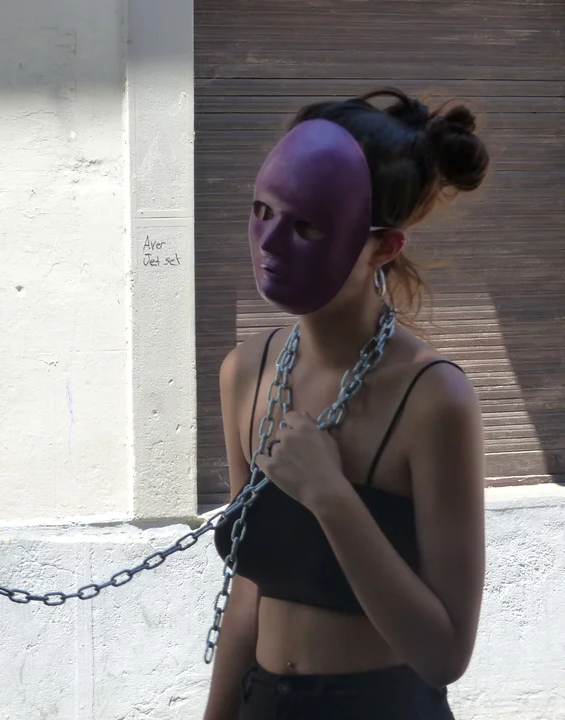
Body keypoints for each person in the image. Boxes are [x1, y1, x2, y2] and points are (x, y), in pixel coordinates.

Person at [204, 88, 489, 719]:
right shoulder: (244, 373)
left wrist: (331, 496)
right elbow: (249, 588)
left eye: (307, 226)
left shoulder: (434, 399)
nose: (271, 242)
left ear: (384, 247)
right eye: (261, 211)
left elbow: (445, 653)